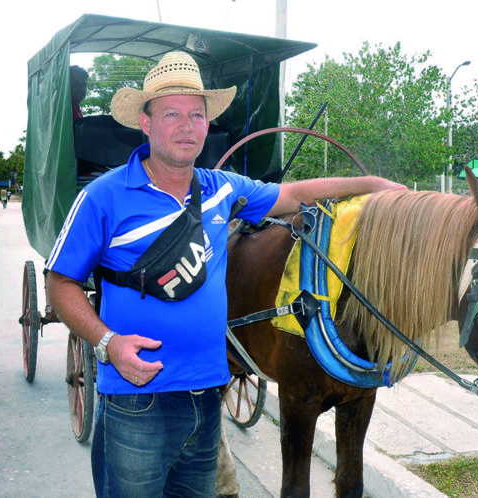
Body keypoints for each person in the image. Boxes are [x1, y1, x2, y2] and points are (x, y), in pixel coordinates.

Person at [45, 51, 406, 497]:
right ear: (146, 122)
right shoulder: (103, 196)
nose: (187, 125)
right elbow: (60, 282)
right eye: (172, 113)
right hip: (137, 401)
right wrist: (107, 343)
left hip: (206, 398)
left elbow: (293, 193)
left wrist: (372, 186)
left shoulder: (222, 189)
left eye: (197, 115)